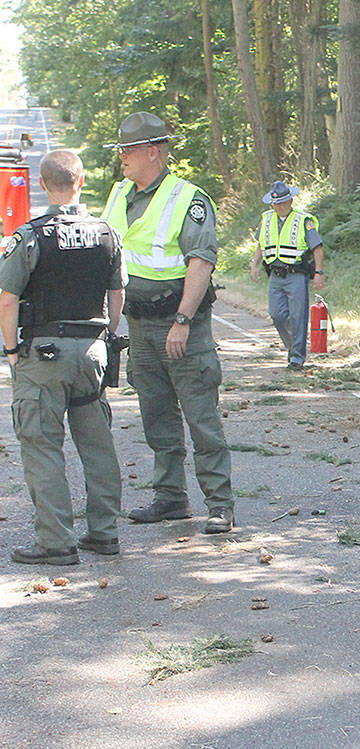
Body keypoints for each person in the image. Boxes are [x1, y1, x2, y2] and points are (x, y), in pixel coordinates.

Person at [102, 111, 234, 534]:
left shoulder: (188, 199)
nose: (122, 157)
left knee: (200, 415)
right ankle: (171, 498)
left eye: (128, 149)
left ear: (153, 152)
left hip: (180, 325)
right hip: (140, 327)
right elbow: (108, 256)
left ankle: (220, 505)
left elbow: (201, 262)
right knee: (156, 414)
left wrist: (183, 320)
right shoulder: (119, 193)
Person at [0, 149, 124, 565]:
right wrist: (106, 336)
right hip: (92, 351)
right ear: (81, 182)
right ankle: (104, 534)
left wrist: (13, 352)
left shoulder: (30, 236)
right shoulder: (106, 233)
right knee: (97, 444)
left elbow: (7, 300)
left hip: (44, 354)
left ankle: (56, 542)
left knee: (42, 446)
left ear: (42, 184)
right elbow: (116, 293)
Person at [250, 181, 324, 369]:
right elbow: (261, 244)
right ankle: (293, 346)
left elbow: (317, 247)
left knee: (298, 316)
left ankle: (297, 358)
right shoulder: (266, 219)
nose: (278, 206)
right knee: (276, 314)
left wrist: (319, 272)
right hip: (275, 275)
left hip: (296, 274)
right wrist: (254, 264)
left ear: (290, 201)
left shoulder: (303, 220)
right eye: (275, 203)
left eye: (282, 202)